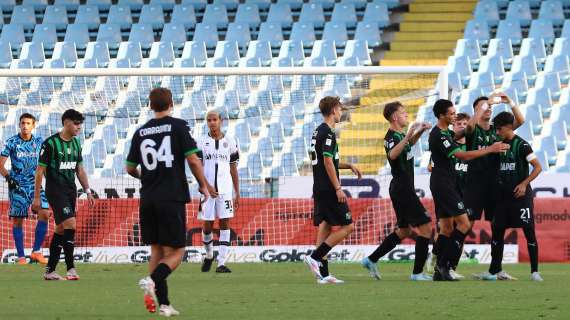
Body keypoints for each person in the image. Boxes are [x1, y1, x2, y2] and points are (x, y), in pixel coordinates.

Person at [127, 88, 214, 317]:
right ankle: (152, 281)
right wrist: (203, 185)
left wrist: (145, 176)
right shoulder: (178, 126)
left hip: (148, 198)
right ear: (172, 103)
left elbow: (129, 167)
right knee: (177, 251)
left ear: (150, 105)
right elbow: (194, 160)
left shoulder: (141, 131)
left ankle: (164, 304)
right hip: (171, 196)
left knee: (157, 249)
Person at [429, 99, 508, 281]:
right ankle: (444, 266)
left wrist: (481, 111)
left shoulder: (446, 133)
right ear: (442, 115)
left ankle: (438, 270)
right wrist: (490, 149)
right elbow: (462, 155)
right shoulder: (439, 135)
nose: (454, 115)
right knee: (464, 224)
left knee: (447, 228)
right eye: (451, 114)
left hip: (447, 182)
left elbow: (468, 130)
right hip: (444, 183)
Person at [361, 101, 433, 281]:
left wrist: (419, 132)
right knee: (425, 229)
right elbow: (392, 155)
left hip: (402, 188)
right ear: (394, 117)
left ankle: (371, 259)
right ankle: (417, 273)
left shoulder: (401, 136)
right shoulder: (391, 136)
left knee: (404, 231)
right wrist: (409, 135)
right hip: (403, 189)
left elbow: (407, 146)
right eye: (403, 112)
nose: (406, 114)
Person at [474, 112, 543, 281]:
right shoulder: (498, 145)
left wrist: (524, 184)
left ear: (507, 127)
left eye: (499, 129)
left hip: (521, 196)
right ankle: (494, 271)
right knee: (497, 232)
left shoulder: (522, 145)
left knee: (529, 232)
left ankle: (534, 272)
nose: (497, 132)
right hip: (502, 197)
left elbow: (538, 167)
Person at [465, 93, 524, 280]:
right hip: (475, 185)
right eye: (483, 106)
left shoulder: (496, 131)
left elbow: (520, 121)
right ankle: (446, 266)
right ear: (476, 110)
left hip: (495, 185)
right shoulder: (473, 130)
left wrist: (510, 103)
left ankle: (496, 270)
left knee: (498, 227)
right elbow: (468, 125)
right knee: (465, 225)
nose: (489, 108)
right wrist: (486, 103)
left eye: (490, 106)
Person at [303, 96, 362, 284]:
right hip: (329, 188)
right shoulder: (328, 132)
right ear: (334, 110)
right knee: (348, 226)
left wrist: (347, 165)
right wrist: (338, 187)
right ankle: (315, 257)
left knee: (326, 226)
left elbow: (326, 159)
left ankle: (324, 274)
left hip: (319, 186)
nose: (342, 112)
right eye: (340, 109)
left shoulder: (317, 131)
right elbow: (327, 161)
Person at [34, 109, 95, 280]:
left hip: (70, 190)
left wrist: (88, 190)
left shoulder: (76, 143)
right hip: (55, 190)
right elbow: (39, 172)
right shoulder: (50, 144)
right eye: (76, 123)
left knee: (61, 228)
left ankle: (50, 271)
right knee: (71, 224)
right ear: (66, 122)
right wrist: (37, 196)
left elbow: (80, 169)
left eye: (80, 124)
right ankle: (71, 268)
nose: (79, 127)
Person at [0, 113, 49, 265]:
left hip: (35, 185)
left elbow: (45, 164)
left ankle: (35, 251)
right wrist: (9, 178)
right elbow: (0, 163)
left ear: (33, 125)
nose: (25, 126)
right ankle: (21, 257)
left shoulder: (40, 142)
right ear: (19, 125)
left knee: (45, 213)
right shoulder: (12, 142)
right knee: (18, 221)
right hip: (18, 187)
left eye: (28, 123)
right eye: (23, 123)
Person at [427, 112, 471, 279]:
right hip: (447, 188)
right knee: (457, 226)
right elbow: (431, 166)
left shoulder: (469, 144)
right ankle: (440, 263)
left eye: (465, 124)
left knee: (451, 228)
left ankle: (443, 267)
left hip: (462, 191)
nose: (462, 125)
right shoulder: (444, 141)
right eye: (458, 123)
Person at [197, 111, 240, 273]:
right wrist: (206, 186)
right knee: (207, 225)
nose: (212, 122)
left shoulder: (230, 141)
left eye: (214, 119)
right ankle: (209, 255)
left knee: (225, 222)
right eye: (209, 120)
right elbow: (198, 168)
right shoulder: (201, 142)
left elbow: (233, 168)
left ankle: (221, 263)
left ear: (221, 121)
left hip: (225, 190)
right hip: (207, 192)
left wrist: (237, 192)